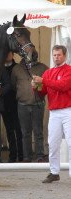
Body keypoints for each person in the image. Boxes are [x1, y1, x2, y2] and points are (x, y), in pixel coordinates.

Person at [32, 45, 71, 183]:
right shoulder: (48, 73)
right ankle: (54, 172)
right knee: (53, 143)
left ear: (64, 56)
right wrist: (36, 87)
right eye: (54, 55)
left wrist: (42, 81)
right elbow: (42, 93)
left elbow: (63, 86)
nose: (56, 57)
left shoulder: (69, 70)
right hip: (54, 112)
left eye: (59, 55)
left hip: (68, 110)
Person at [11, 57, 48, 162]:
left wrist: (37, 86)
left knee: (38, 131)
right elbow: (14, 86)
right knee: (25, 132)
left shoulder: (43, 67)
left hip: (38, 104)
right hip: (22, 104)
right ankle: (27, 157)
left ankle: (40, 156)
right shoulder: (16, 68)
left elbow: (47, 85)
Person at [1, 52, 23, 162]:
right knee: (9, 130)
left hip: (17, 103)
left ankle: (21, 154)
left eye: (9, 53)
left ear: (13, 55)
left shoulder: (18, 67)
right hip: (4, 104)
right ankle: (12, 155)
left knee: (19, 130)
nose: (7, 55)